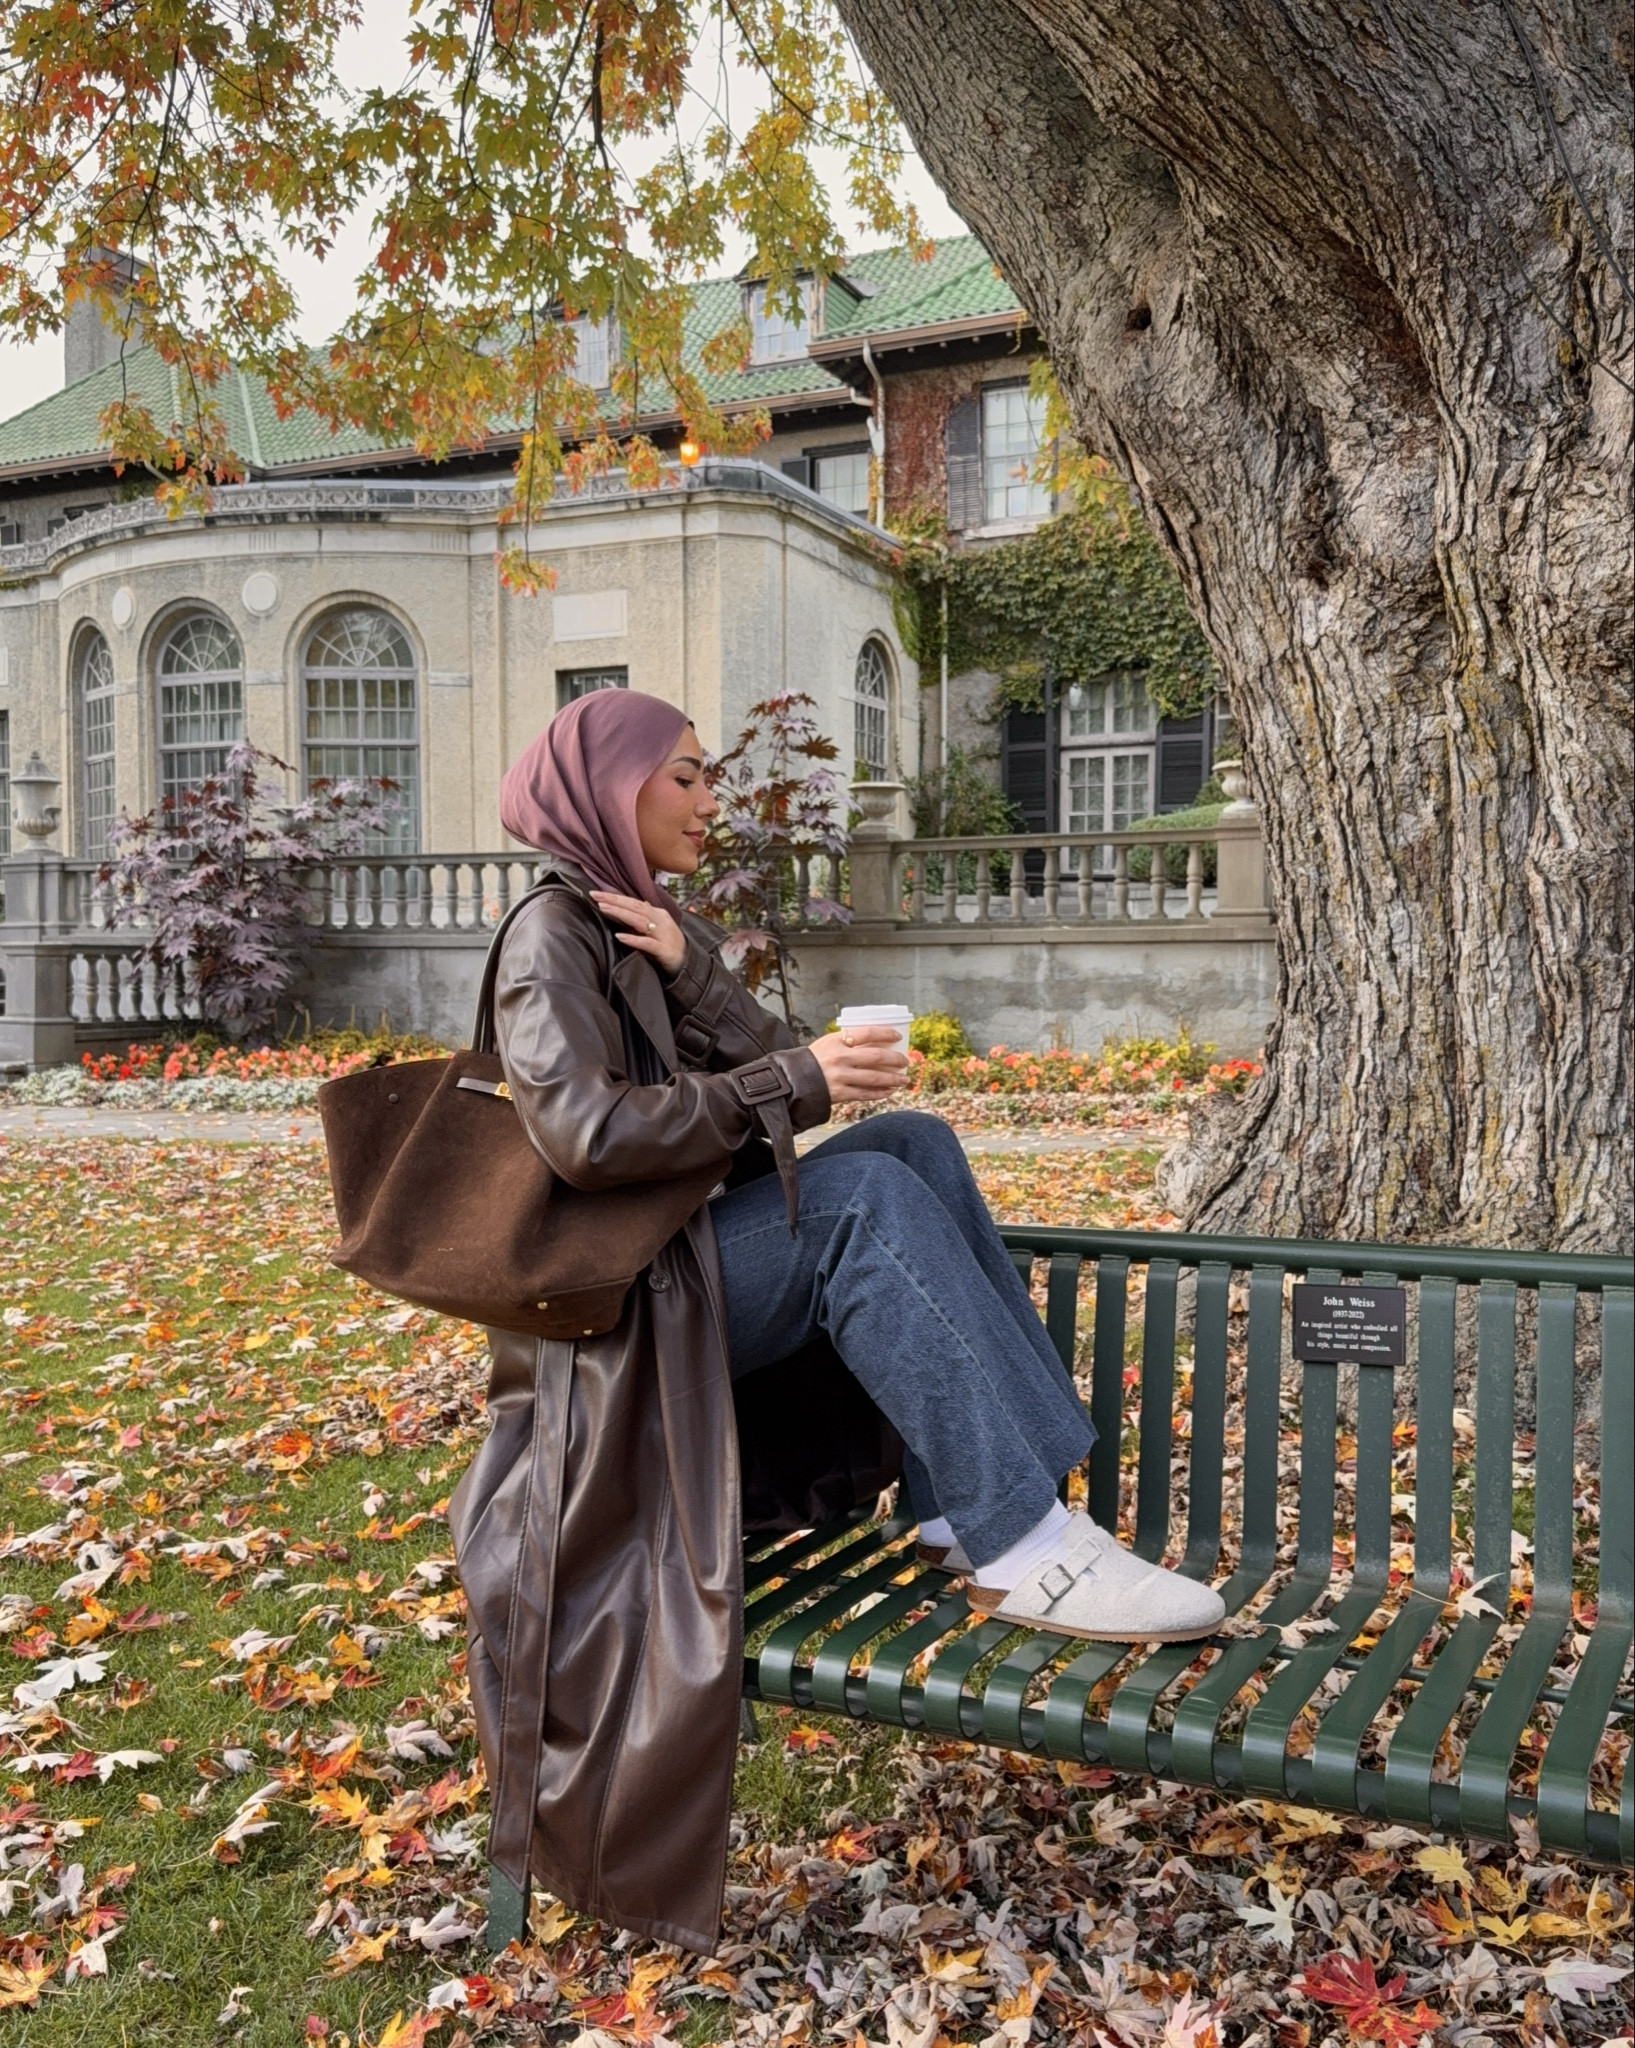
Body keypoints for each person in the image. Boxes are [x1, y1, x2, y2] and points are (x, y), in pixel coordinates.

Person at [448, 689, 1224, 1954]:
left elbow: (768, 1069)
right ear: (610, 786)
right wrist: (789, 1074)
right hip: (626, 1310)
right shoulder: (549, 935)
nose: (710, 799)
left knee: (908, 1142)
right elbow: (585, 1136)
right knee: (863, 1201)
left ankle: (969, 1501)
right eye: (686, 775)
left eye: (710, 774)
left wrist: (695, 970)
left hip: (677, 1262)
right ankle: (1024, 1538)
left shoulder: (633, 920)